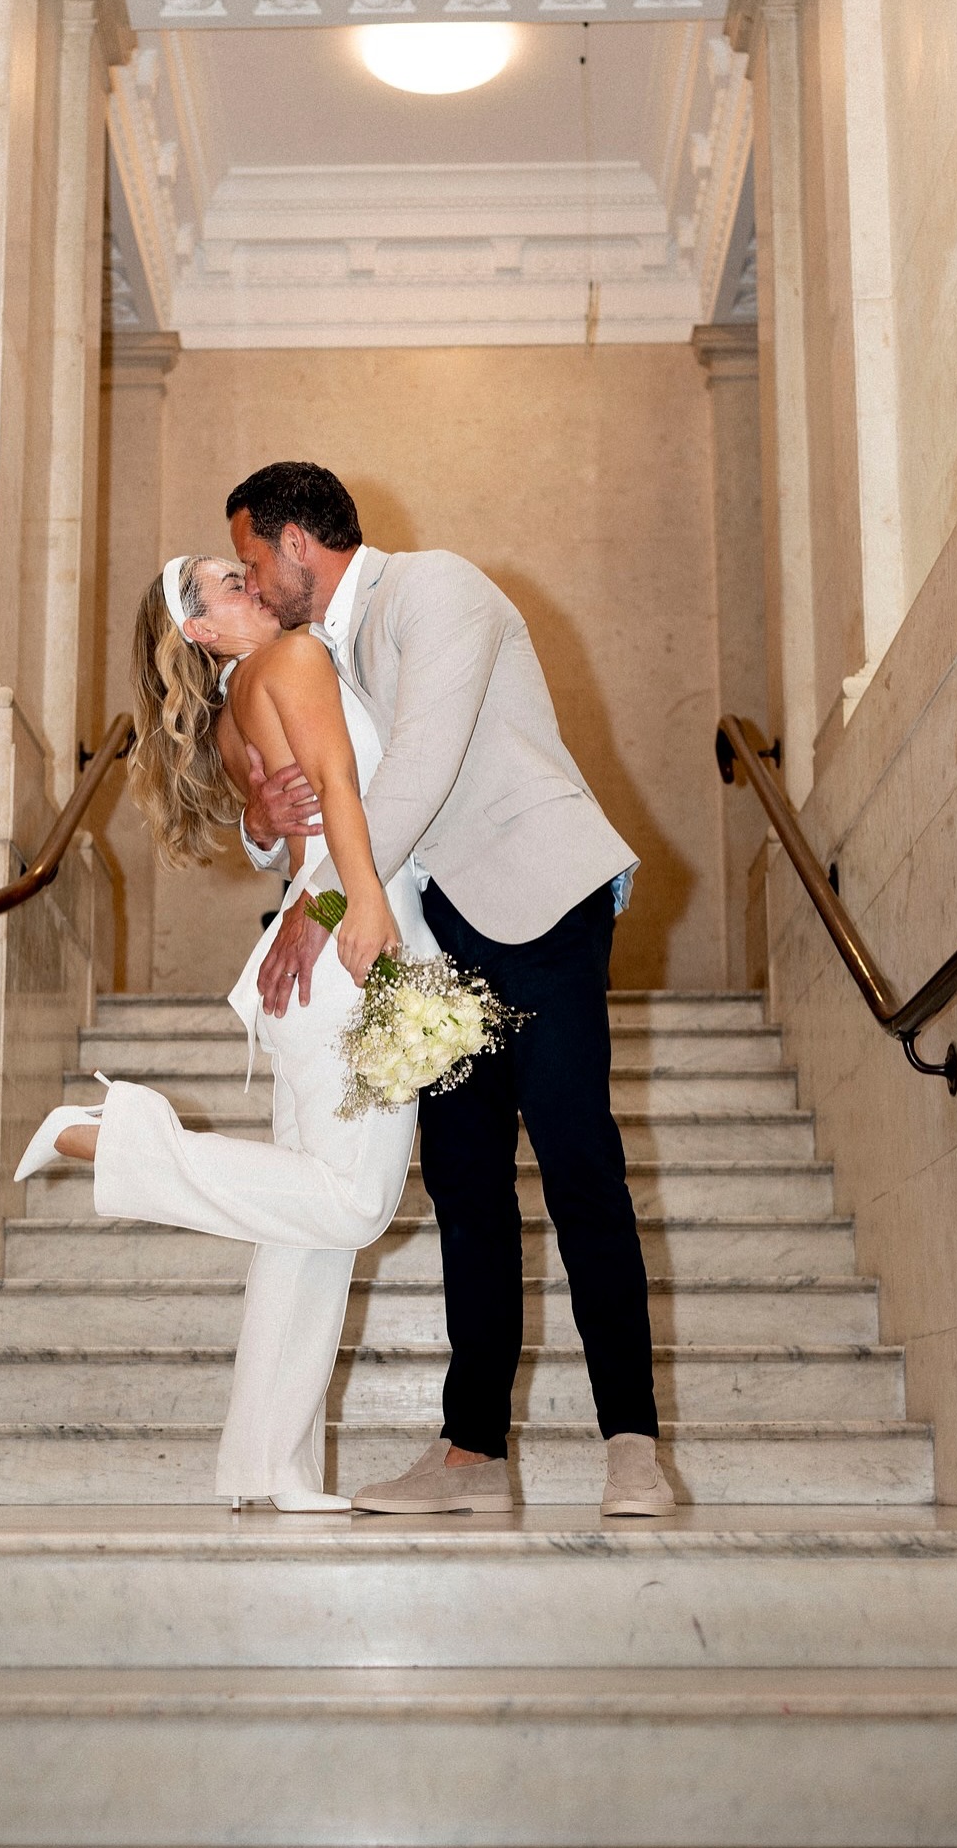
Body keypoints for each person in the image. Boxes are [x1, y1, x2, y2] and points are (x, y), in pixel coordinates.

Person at [229, 461, 674, 1517]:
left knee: (578, 1163)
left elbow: (418, 764)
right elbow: (301, 808)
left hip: (541, 901)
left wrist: (325, 904)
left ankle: (633, 1446)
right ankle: (471, 1454)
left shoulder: (437, 590)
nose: (250, 585)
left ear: (299, 544)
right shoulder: (303, 658)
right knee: (468, 1187)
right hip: (436, 937)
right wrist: (267, 825)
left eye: (254, 561)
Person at [14, 550, 438, 1511]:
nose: (250, 582)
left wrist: (318, 884)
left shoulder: (256, 681)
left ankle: (265, 1469)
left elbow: (292, 828)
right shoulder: (290, 660)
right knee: (357, 1205)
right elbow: (335, 791)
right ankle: (113, 1139)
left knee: (305, 1242)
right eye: (226, 583)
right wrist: (363, 909)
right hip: (350, 945)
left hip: (318, 947)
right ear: (201, 631)